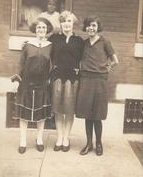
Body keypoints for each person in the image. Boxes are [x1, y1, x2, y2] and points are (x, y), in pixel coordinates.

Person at [76, 16, 119, 156]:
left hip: (99, 81)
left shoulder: (105, 42)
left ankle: (99, 143)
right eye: (88, 26)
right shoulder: (84, 43)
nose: (91, 28)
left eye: (93, 25)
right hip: (86, 80)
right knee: (88, 114)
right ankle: (89, 144)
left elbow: (115, 60)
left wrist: (106, 67)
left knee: (97, 114)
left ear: (97, 27)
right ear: (86, 28)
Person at [11, 17, 53, 154]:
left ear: (47, 30)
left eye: (44, 28)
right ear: (35, 30)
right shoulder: (27, 45)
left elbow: (53, 65)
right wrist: (17, 81)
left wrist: (50, 80)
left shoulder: (51, 46)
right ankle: (23, 141)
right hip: (27, 84)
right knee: (24, 113)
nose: (41, 30)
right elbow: (21, 64)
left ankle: (39, 139)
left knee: (41, 114)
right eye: (39, 28)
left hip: (42, 84)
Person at [50, 10, 85, 152]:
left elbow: (86, 57)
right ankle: (59, 137)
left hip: (73, 78)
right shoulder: (54, 39)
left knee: (69, 110)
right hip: (57, 77)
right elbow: (43, 48)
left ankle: (66, 138)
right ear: (61, 23)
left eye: (69, 21)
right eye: (63, 21)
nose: (66, 24)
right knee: (58, 110)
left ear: (73, 24)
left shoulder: (79, 41)